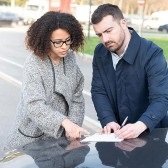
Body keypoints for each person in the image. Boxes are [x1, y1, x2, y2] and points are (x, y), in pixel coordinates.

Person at [4, 11, 89, 150]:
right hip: (31, 138)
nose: (64, 46)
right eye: (58, 42)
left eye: (68, 40)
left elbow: (77, 97)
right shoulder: (33, 64)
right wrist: (65, 122)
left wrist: (72, 126)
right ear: (44, 39)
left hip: (62, 137)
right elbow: (34, 105)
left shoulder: (70, 59)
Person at [91, 3, 168, 139]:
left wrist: (140, 125)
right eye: (99, 35)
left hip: (152, 136)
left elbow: (161, 98)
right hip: (116, 137)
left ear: (123, 23)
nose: (105, 39)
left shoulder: (152, 53)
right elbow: (99, 91)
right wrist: (108, 119)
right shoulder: (100, 52)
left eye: (109, 31)